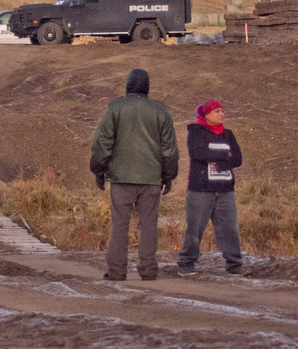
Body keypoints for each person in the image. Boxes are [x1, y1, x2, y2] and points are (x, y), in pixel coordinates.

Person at [90, 68, 179, 281]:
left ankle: (117, 271)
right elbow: (169, 149)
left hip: (121, 178)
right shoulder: (160, 110)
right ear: (147, 86)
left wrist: (99, 170)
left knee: (119, 225)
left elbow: (103, 143)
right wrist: (168, 176)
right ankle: (148, 270)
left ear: (127, 84)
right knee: (148, 225)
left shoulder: (115, 107)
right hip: (151, 179)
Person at [177, 100, 245, 276]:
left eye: (222, 110)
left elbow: (237, 159)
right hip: (200, 189)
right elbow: (199, 153)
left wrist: (217, 160)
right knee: (195, 228)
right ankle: (186, 265)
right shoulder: (196, 131)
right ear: (206, 114)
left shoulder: (228, 134)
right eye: (216, 111)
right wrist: (225, 155)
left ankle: (235, 265)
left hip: (225, 189)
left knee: (230, 228)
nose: (221, 114)